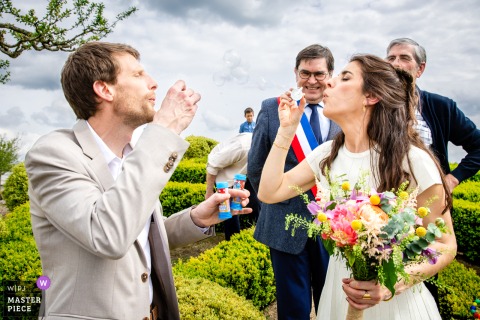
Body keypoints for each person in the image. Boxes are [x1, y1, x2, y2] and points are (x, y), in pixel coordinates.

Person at [25, 42, 252, 320]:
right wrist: (162, 130)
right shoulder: (54, 154)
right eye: (138, 75)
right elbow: (108, 235)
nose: (153, 83)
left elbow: (138, 238)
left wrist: (197, 219)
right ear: (104, 89)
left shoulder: (132, 158)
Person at [257, 54, 457, 320]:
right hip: (339, 295)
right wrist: (286, 130)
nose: (329, 83)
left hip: (395, 305)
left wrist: (390, 285)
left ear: (371, 96)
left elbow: (445, 245)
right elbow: (269, 192)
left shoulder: (413, 160)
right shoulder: (327, 154)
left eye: (344, 77)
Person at [248, 44, 341, 319]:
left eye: (319, 74)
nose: (312, 81)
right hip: (284, 223)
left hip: (334, 226)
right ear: (295, 73)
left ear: (330, 74)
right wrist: (276, 204)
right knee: (292, 309)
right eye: (305, 73)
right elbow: (256, 168)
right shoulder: (272, 109)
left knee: (332, 302)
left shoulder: (341, 110)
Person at [386, 38, 480, 193]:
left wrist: (452, 179)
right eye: (391, 58)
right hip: (381, 203)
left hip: (429, 202)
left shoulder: (441, 107)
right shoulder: (372, 106)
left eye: (404, 58)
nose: (396, 64)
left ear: (420, 69)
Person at [205, 132, 260, 240]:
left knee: (256, 201)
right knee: (230, 211)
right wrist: (209, 192)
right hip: (223, 171)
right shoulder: (241, 146)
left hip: (243, 172)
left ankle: (258, 234)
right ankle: (232, 240)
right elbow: (212, 165)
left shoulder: (267, 148)